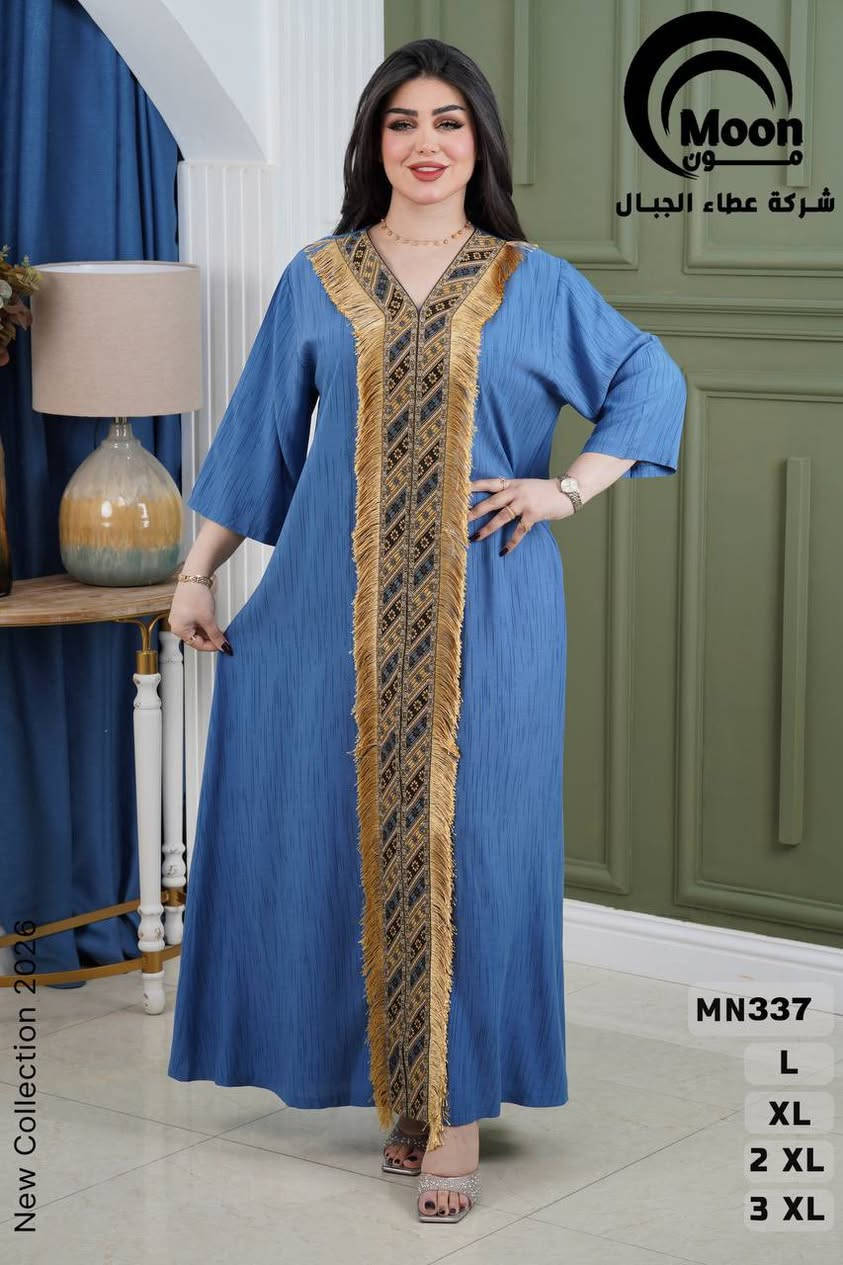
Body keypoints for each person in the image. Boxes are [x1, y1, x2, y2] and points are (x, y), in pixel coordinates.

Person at [166, 38, 687, 1225]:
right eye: (402, 122)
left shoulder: (530, 279)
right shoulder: (319, 277)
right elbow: (259, 437)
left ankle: (453, 1111)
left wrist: (566, 489)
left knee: (473, 844)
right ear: (375, 143)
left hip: (491, 611)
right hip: (329, 612)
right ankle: (401, 1091)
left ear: (479, 141)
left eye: (448, 121)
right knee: (340, 833)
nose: (426, 143)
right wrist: (196, 572)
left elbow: (648, 377)